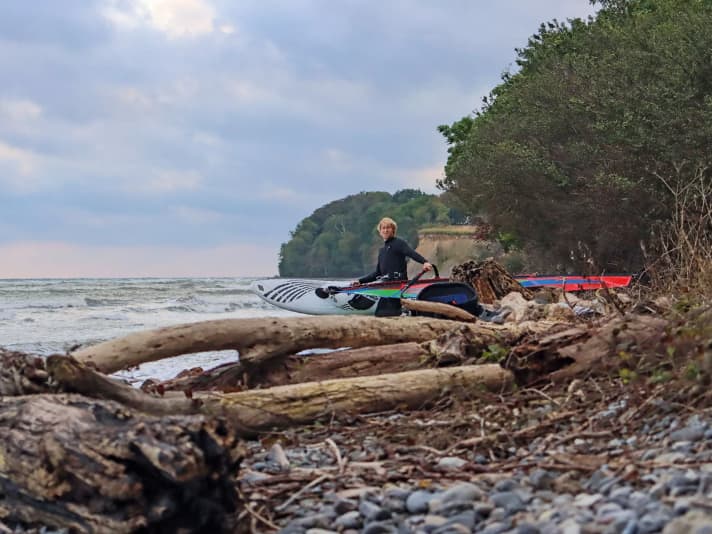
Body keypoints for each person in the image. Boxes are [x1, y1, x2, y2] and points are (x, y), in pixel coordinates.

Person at [353, 217, 432, 285]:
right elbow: (377, 274)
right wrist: (360, 281)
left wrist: (424, 262)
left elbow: (411, 253)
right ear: (380, 232)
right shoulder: (382, 251)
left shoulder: (399, 243)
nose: (386, 230)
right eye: (383, 228)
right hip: (386, 286)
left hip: (399, 285)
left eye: (388, 228)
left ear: (393, 230)